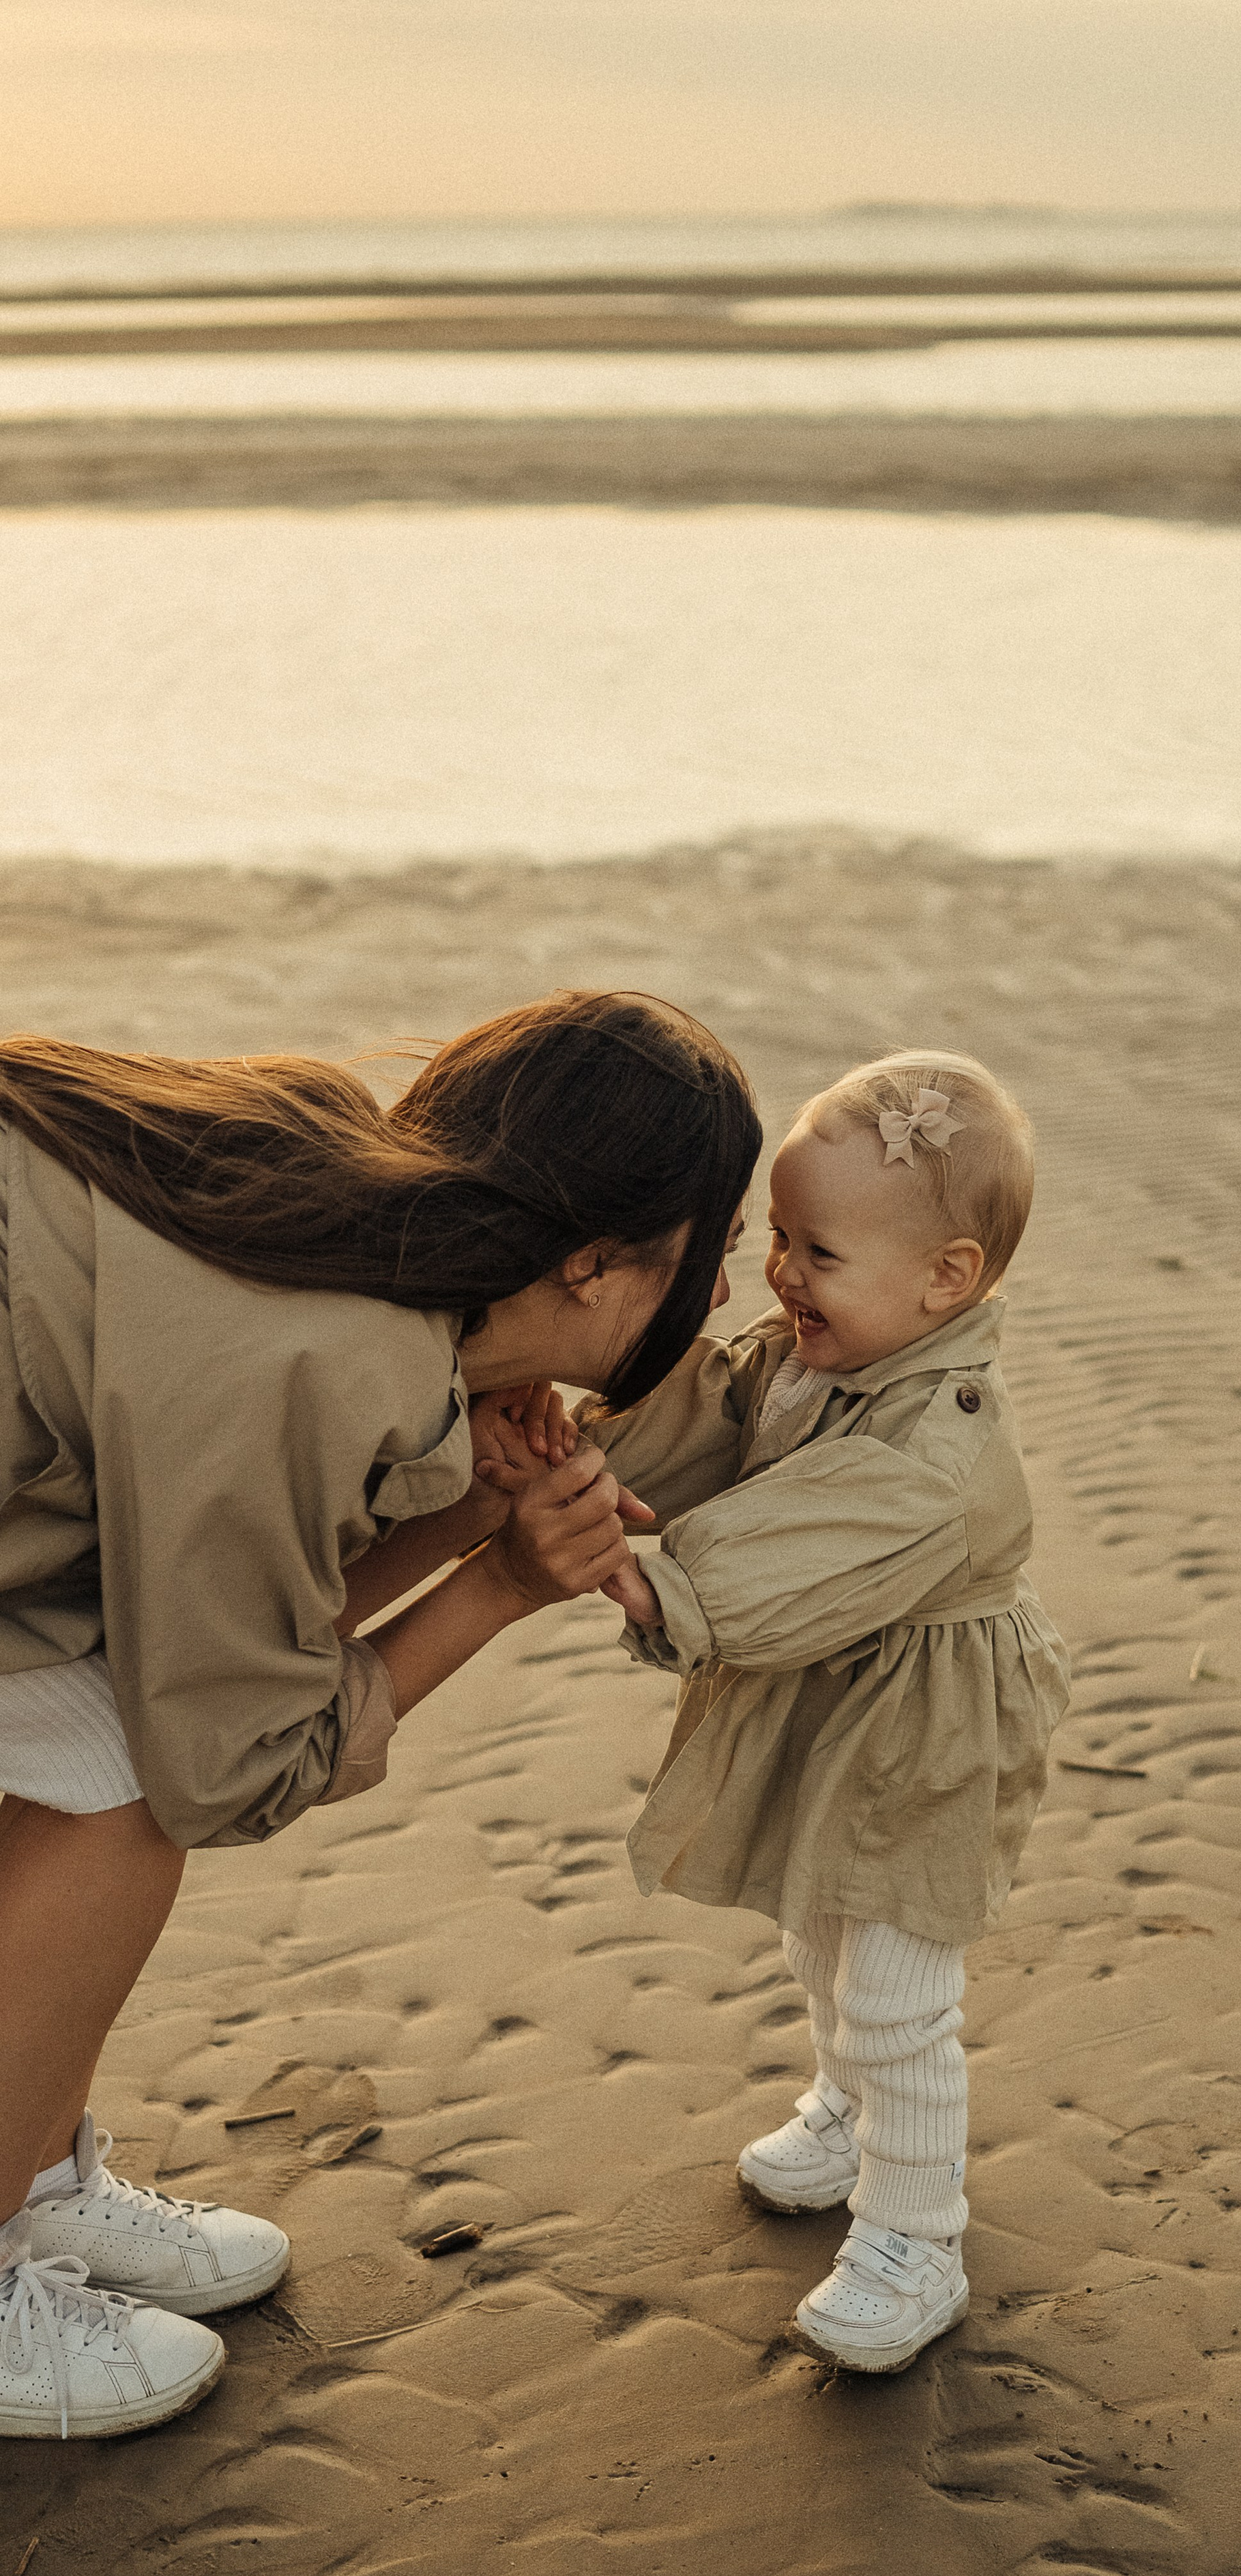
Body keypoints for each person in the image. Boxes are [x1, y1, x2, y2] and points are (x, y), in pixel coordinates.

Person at [0, 991, 760, 2438]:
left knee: (99, 1730)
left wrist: (469, 1502)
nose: (723, 1297)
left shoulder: (313, 1169)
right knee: (120, 1793)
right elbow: (223, 1760)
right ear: (593, 1263)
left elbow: (195, 1625)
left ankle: (30, 2179)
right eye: (709, 1254)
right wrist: (504, 1582)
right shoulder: (336, 1350)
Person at [574, 1050, 1071, 2374]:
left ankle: (917, 2236)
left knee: (894, 1984)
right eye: (779, 1237)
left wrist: (650, 1578)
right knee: (819, 1923)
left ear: (945, 1279)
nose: (780, 1273)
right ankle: (847, 2111)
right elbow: (720, 1418)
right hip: (835, 1692)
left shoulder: (936, 1445)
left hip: (926, 1726)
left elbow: (796, 1548)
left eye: (817, 1251)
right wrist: (593, 1449)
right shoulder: (824, 1359)